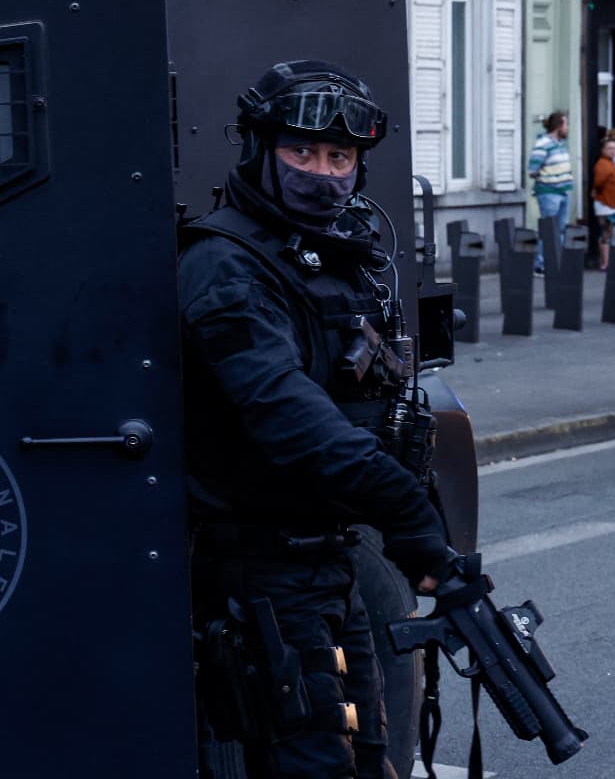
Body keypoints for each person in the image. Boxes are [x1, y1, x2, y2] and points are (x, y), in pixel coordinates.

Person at [178, 60, 455, 779]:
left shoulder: (324, 258)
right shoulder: (224, 264)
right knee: (310, 764)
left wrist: (422, 517)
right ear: (258, 153)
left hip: (327, 560)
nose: (324, 173)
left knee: (368, 755)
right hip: (260, 571)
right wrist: (403, 508)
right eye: (302, 153)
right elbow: (287, 415)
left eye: (341, 157)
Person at [526, 111, 575, 275]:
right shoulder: (543, 144)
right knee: (549, 229)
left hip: (564, 191)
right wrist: (549, 178)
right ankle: (541, 264)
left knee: (560, 229)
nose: (568, 128)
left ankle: (555, 262)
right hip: (549, 192)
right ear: (559, 126)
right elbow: (532, 170)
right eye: (566, 124)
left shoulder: (560, 144)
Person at [591, 137, 615, 270]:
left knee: (609, 232)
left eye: (614, 148)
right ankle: (605, 263)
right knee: (606, 232)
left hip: (612, 204)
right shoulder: (602, 164)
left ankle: (608, 262)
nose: (613, 151)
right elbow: (598, 182)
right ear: (602, 150)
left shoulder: (612, 163)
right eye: (609, 148)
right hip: (606, 205)